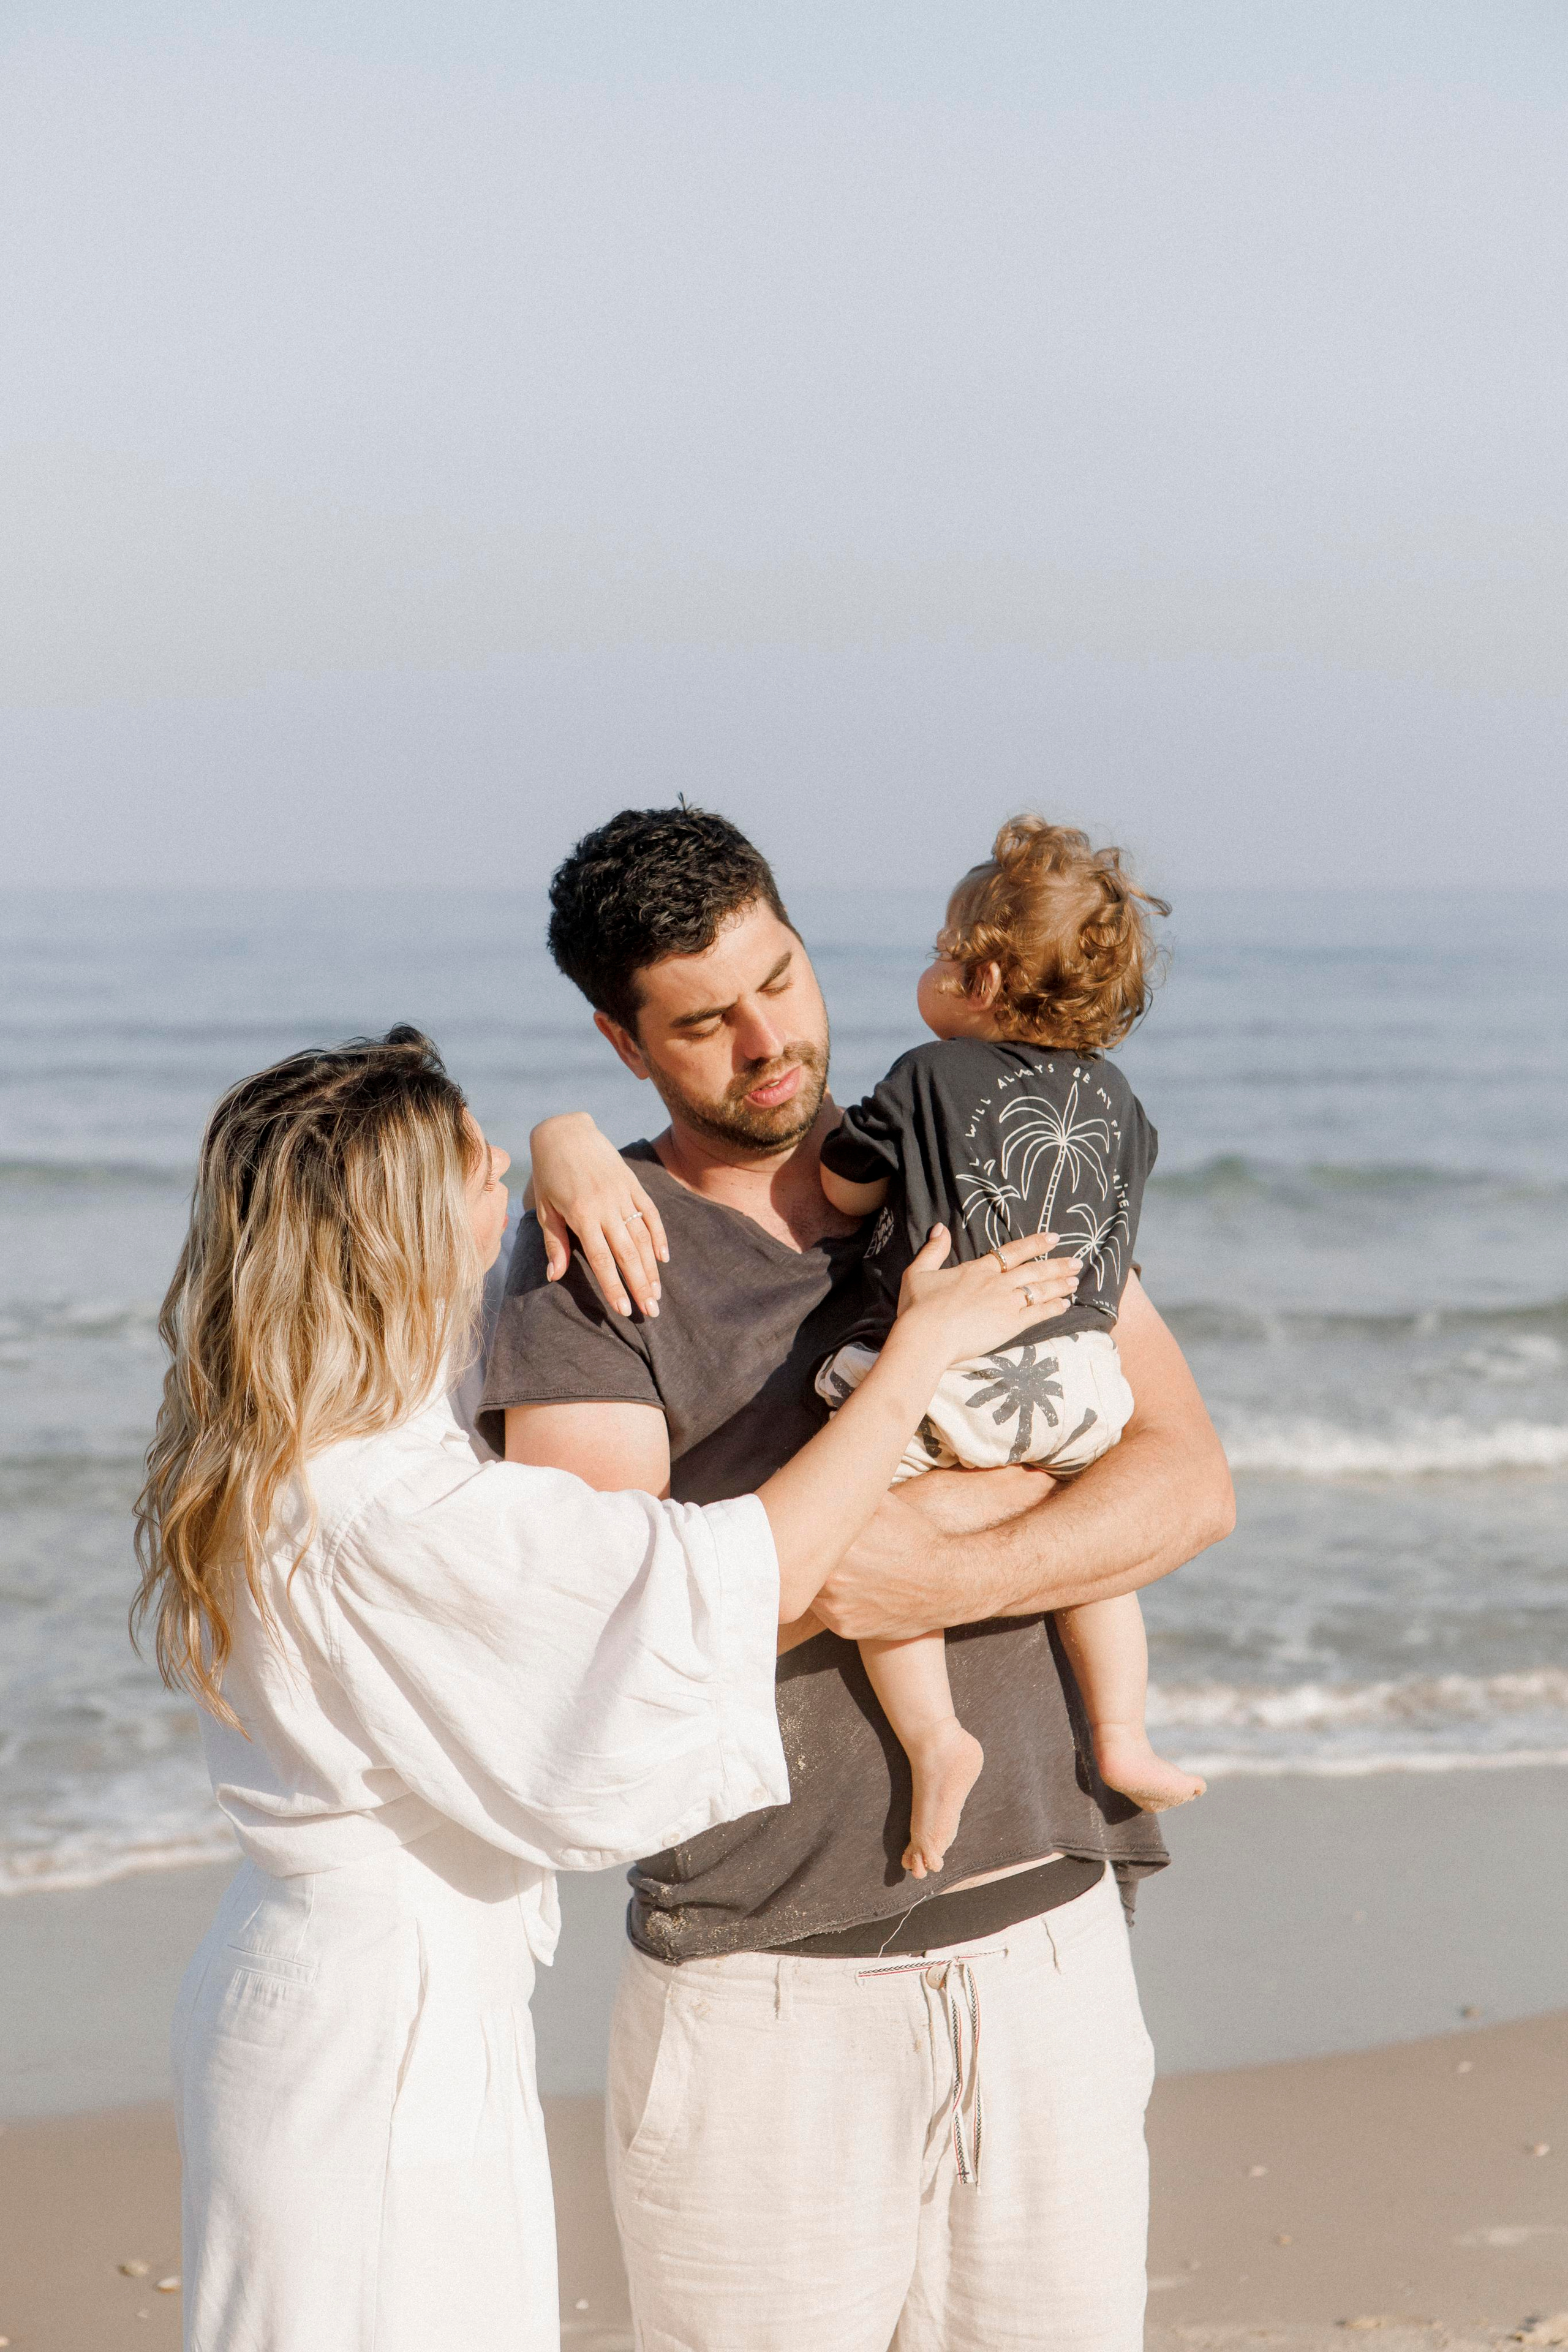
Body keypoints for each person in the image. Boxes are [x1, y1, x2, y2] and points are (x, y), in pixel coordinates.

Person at [132, 1025, 1065, 2352]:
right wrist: (918, 1351)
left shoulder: (323, 1420)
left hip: (340, 1989)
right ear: (401, 1233)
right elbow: (722, 1577)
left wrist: (572, 1142)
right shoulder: (381, 1509)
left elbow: (517, 1243)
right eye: (474, 1170)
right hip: (380, 2029)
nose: (502, 1166)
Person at [480, 808, 1235, 2352]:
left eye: (780, 977)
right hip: (768, 1996)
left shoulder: (967, 1154)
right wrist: (551, 1147)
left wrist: (924, 1564)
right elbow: (610, 1644)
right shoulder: (591, 1270)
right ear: (625, 1048)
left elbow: (1183, 1483)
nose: (768, 1040)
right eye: (703, 1019)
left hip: (1053, 1946)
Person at [812, 814, 1206, 1881]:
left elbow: (844, 1185)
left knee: (867, 1508)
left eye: (942, 954)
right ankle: (1122, 1733)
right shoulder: (1123, 1103)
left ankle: (938, 1741)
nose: (929, 973)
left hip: (964, 1372)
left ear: (981, 978)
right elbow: (1115, 1245)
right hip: (1083, 1376)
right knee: (1095, 1548)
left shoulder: (930, 1072)